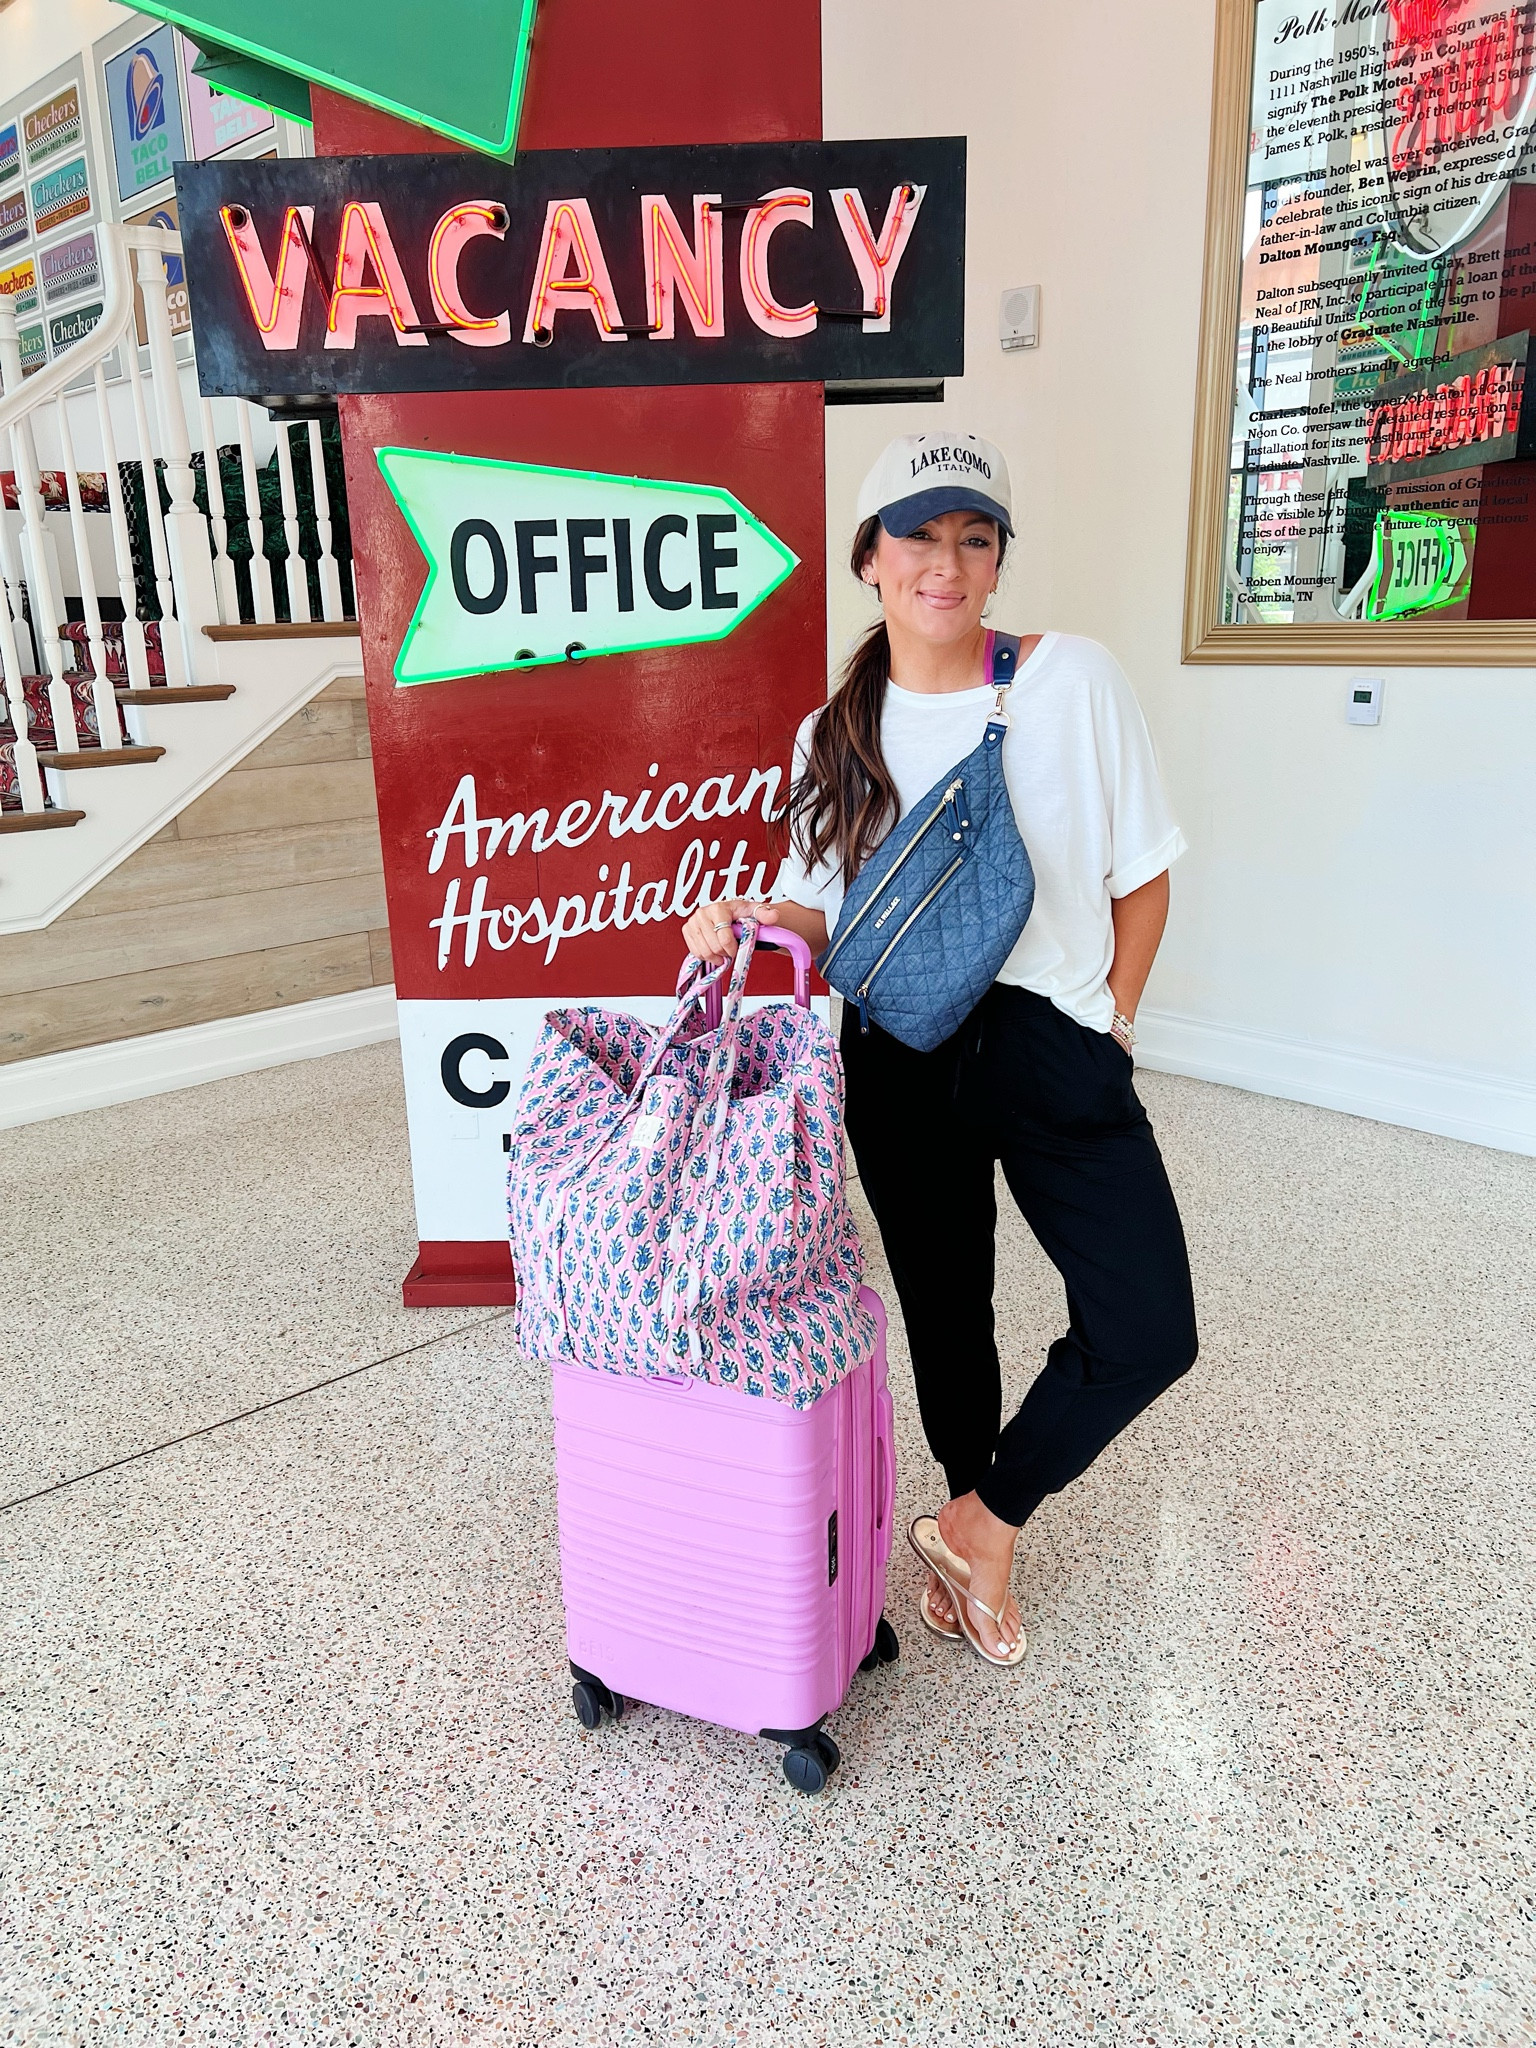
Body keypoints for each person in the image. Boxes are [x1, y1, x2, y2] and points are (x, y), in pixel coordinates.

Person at [682, 432, 1198, 1668]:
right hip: (902, 1055)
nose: (946, 564)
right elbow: (831, 914)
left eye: (975, 537)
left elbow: (1145, 878)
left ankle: (985, 1515)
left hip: (1049, 1038)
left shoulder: (1071, 681)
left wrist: (1111, 1023)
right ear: (869, 558)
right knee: (947, 1311)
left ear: (1000, 559)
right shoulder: (832, 733)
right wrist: (753, 917)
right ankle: (975, 1532)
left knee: (1148, 1326)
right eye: (917, 536)